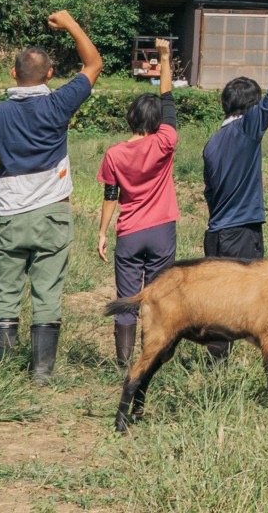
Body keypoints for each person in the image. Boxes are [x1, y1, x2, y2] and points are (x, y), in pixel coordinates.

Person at [0, 9, 102, 383]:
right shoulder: (59, 103)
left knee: (4, 294)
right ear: (49, 76)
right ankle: (41, 372)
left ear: (13, 74)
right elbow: (94, 63)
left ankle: (0, 373)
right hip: (52, 215)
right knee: (48, 294)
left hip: (8, 215)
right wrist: (72, 24)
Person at [96, 42, 180, 369]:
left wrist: (103, 232)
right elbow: (169, 99)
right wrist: (164, 59)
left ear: (131, 118)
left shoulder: (114, 154)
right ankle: (152, 360)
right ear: (158, 121)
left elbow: (110, 196)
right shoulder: (165, 142)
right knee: (158, 298)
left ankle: (122, 365)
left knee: (127, 299)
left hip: (129, 232)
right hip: (162, 230)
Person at [200, 25, 268, 263]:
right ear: (252, 106)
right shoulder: (246, 128)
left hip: (215, 235)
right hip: (240, 235)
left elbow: (209, 192)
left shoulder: (212, 142)